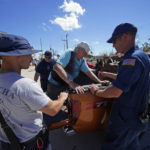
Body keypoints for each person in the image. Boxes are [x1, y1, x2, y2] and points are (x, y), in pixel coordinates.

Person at [0, 34, 68, 150]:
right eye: (28, 54)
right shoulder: (25, 85)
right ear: (14, 55)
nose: (32, 58)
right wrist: (62, 97)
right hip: (31, 143)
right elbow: (52, 110)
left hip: (5, 141)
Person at [89, 23, 150, 150]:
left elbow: (115, 92)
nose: (113, 45)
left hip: (126, 120)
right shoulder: (142, 55)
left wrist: (96, 92)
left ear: (125, 37)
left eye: (115, 40)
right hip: (138, 117)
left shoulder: (131, 59)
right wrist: (107, 74)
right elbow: (129, 79)